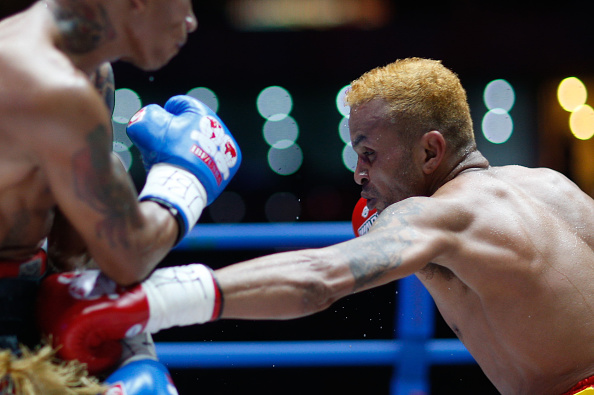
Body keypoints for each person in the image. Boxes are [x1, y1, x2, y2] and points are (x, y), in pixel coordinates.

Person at [39, 57, 594, 395]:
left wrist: (145, 301)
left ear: (431, 151)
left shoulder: (439, 213)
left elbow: (318, 276)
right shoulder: (552, 186)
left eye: (370, 153)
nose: (358, 173)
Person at [0, 0, 242, 393]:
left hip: (21, 314)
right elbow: (128, 255)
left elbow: (75, 248)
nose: (192, 21)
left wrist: (128, 350)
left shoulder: (92, 76)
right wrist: (187, 177)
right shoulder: (44, 82)